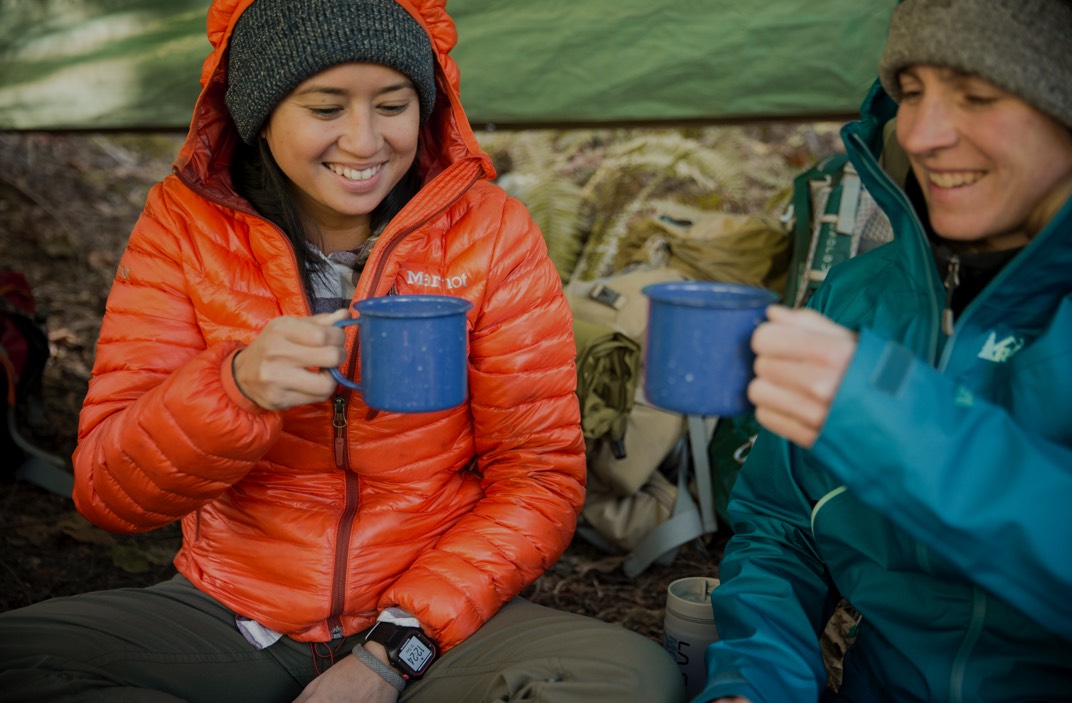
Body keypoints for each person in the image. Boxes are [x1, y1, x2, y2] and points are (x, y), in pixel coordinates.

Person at [0, 1, 684, 701]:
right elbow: (109, 493)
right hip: (235, 612)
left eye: (392, 105)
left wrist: (391, 655)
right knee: (19, 657)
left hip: (433, 622)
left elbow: (539, 477)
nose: (363, 141)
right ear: (261, 114)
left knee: (632, 678)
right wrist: (233, 389)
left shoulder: (490, 232)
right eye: (325, 108)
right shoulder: (186, 225)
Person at [696, 0, 1072, 701]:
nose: (921, 134)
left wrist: (902, 424)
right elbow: (781, 528)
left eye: (977, 95)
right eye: (911, 92)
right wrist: (754, 682)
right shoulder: (856, 296)